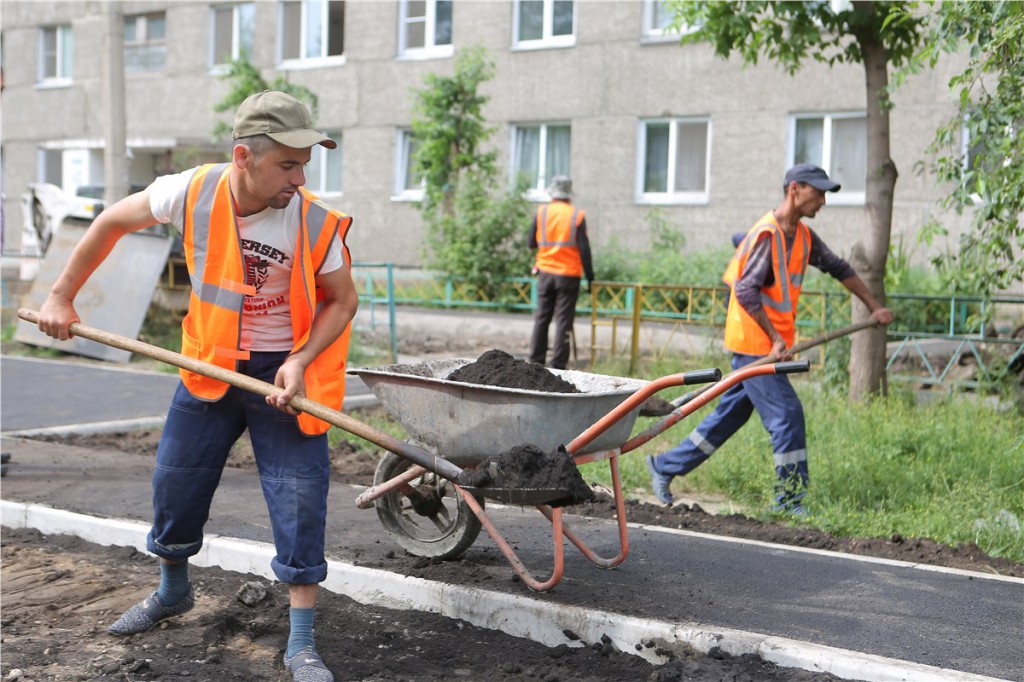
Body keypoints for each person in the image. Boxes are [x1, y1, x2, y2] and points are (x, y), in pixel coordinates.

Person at [36, 90, 358, 682]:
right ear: (245, 157)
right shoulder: (192, 190)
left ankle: (302, 641)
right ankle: (172, 591)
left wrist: (300, 357)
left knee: (299, 497)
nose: (301, 175)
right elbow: (111, 221)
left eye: (305, 163)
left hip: (282, 375)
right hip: (209, 366)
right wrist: (61, 295)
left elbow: (343, 300)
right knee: (176, 482)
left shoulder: (312, 219)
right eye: (288, 163)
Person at [646, 163, 894, 515]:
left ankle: (664, 466)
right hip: (754, 347)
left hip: (767, 346)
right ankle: (789, 500)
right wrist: (776, 337)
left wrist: (874, 307)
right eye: (818, 192)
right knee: (787, 415)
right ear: (795, 190)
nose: (823, 200)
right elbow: (746, 290)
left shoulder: (803, 237)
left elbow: (839, 267)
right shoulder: (768, 234)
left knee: (729, 416)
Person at [528, 175, 595, 369]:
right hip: (568, 276)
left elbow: (530, 243)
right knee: (563, 320)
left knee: (542, 317)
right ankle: (557, 365)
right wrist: (590, 278)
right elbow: (584, 249)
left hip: (545, 273)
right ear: (569, 195)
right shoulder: (577, 215)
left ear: (552, 193)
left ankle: (535, 362)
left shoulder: (541, 212)